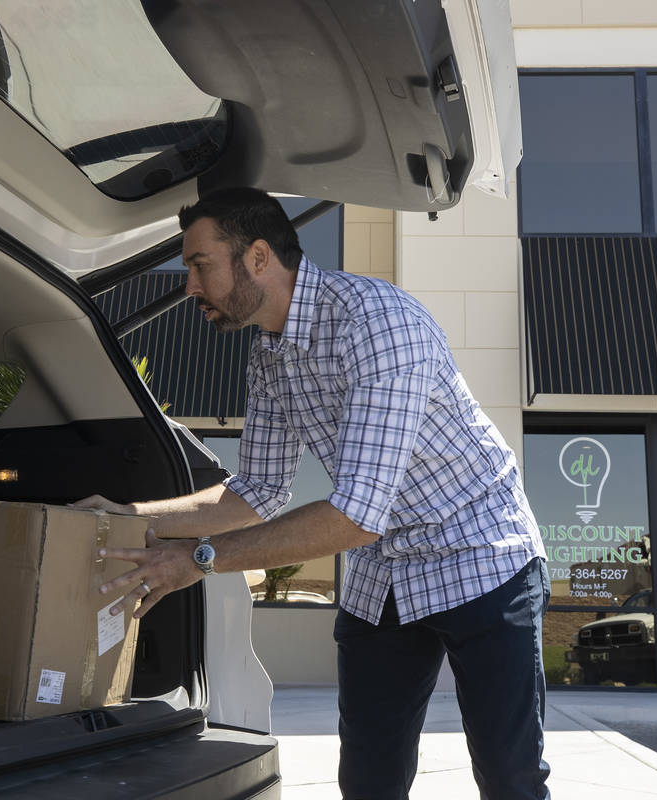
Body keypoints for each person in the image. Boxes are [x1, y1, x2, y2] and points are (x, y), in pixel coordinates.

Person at [77, 187, 550, 799]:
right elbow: (257, 492)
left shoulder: (379, 323)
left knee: (510, 778)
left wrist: (198, 561)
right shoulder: (269, 358)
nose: (189, 286)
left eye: (200, 265)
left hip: (483, 556)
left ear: (257, 257)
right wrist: (134, 518)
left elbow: (354, 516)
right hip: (384, 576)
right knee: (368, 779)